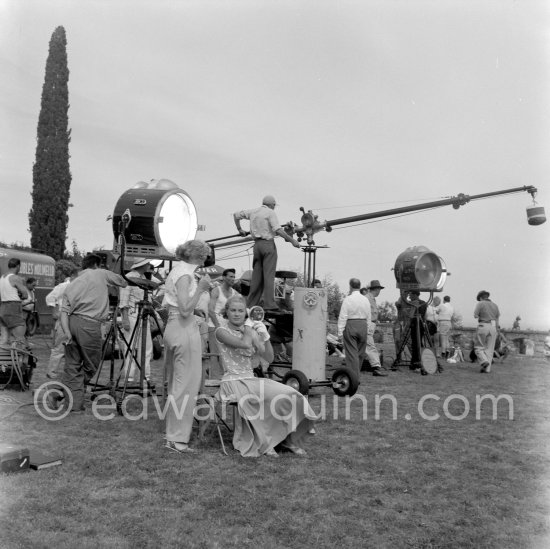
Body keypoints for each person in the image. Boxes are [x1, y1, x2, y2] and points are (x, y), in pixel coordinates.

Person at [215, 295, 317, 457]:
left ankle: (288, 441)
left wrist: (266, 337)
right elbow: (245, 344)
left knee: (290, 394)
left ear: (245, 313)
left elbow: (269, 357)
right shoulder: (221, 331)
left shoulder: (250, 330)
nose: (236, 314)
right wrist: (250, 329)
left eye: (240, 311)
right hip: (232, 381)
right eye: (232, 310)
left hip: (251, 379)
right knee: (257, 400)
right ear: (226, 311)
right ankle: (265, 442)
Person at [52, 254, 127, 413]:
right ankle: (64, 393)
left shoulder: (72, 284)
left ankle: (72, 403)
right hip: (90, 325)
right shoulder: (100, 273)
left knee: (72, 366)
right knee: (91, 365)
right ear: (96, 264)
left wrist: (67, 332)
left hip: (72, 323)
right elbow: (122, 281)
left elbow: (64, 312)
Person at [163, 240, 212, 453]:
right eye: (205, 256)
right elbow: (184, 309)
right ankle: (176, 438)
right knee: (186, 386)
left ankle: (174, 436)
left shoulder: (178, 271)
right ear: (199, 256)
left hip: (176, 326)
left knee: (179, 384)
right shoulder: (185, 274)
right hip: (183, 328)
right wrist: (201, 289)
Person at [233, 195, 300, 310]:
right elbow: (278, 230)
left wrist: (240, 229)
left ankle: (250, 304)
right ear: (272, 204)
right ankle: (270, 304)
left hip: (257, 246)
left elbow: (236, 215)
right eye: (274, 205)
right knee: (269, 276)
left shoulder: (253, 211)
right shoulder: (270, 212)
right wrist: (292, 240)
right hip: (268, 245)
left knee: (257, 277)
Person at [119, 257, 156, 383]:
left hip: (143, 315)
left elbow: (149, 298)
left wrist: (150, 315)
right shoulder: (129, 277)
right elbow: (123, 300)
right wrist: (125, 319)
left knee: (146, 347)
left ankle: (145, 376)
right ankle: (129, 376)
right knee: (130, 347)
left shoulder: (144, 278)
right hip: (132, 315)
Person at [45, 268, 80, 379]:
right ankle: (51, 371)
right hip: (63, 318)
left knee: (72, 348)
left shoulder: (77, 287)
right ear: (73, 276)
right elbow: (50, 297)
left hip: (73, 318)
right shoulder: (63, 286)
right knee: (59, 347)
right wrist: (55, 311)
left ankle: (68, 372)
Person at [337, 278, 370, 377]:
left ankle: (353, 377)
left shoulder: (348, 299)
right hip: (363, 324)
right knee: (360, 353)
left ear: (350, 286)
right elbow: (369, 315)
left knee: (352, 354)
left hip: (351, 324)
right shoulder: (365, 299)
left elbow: (343, 316)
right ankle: (356, 374)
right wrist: (367, 329)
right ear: (359, 286)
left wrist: (339, 332)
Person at [361, 280, 388, 377]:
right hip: (368, 323)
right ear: (375, 289)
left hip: (370, 323)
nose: (379, 291)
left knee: (363, 346)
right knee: (370, 346)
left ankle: (357, 366)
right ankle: (376, 367)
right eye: (379, 289)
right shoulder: (367, 298)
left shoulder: (371, 298)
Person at [0, 258, 29, 345]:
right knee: (19, 337)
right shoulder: (15, 278)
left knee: (4, 339)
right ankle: (19, 358)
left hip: (2, 308)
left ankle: (3, 358)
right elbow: (25, 295)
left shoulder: (2, 278)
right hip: (13, 307)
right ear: (18, 266)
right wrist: (21, 296)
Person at [473, 290, 500, 373]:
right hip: (493, 327)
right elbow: (497, 318)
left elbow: (475, 315)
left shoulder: (480, 303)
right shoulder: (495, 305)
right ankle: (487, 369)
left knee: (478, 347)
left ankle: (484, 361)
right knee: (490, 349)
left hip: (483, 325)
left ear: (481, 297)